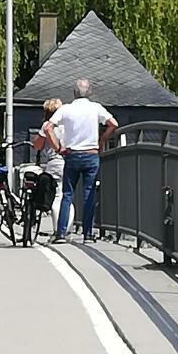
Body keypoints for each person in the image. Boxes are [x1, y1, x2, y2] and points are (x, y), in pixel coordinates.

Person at [44, 78, 118, 244]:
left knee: (67, 194)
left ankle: (61, 233)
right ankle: (88, 233)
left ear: (74, 94)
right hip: (91, 155)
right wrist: (102, 139)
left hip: (72, 155)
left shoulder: (66, 109)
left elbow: (48, 128)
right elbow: (113, 124)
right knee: (89, 194)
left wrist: (58, 148)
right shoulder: (95, 108)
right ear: (89, 92)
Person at [33, 98, 74, 236]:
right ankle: (68, 229)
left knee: (57, 197)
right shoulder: (69, 124)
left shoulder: (48, 125)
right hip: (71, 160)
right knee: (68, 195)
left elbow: (37, 146)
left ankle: (58, 231)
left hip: (55, 162)